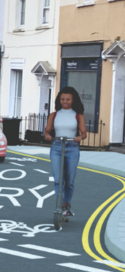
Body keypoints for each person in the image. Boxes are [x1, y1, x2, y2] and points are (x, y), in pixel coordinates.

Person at [44, 87, 87, 218]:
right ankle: (59, 204)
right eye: (62, 99)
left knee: (69, 180)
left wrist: (79, 137)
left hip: (72, 148)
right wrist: (47, 136)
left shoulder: (78, 116)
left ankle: (66, 204)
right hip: (57, 147)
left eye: (68, 99)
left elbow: (84, 133)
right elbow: (47, 131)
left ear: (73, 100)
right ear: (59, 100)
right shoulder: (54, 115)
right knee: (58, 179)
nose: (65, 101)